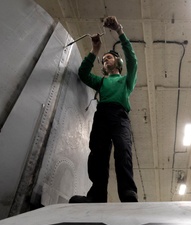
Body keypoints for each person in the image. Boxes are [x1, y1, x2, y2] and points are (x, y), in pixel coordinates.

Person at [69, 16, 138, 203]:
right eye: (103, 59)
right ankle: (97, 195)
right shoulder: (102, 81)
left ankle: (127, 193)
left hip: (120, 116)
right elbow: (83, 74)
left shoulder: (125, 81)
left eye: (109, 57)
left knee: (123, 149)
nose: (105, 60)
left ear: (118, 63)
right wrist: (95, 50)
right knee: (98, 152)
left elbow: (132, 59)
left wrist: (119, 30)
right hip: (102, 115)